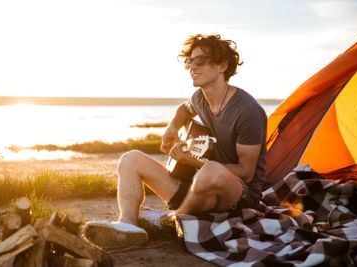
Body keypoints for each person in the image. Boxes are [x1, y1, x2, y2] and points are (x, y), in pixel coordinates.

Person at [82, 34, 267, 250]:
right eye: (189, 62)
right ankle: (128, 225)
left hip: (238, 197)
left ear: (222, 66)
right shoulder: (200, 97)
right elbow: (183, 109)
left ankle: (173, 219)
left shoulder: (248, 111)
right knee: (130, 158)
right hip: (198, 192)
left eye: (199, 61)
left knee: (211, 172)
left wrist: (194, 161)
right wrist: (172, 128)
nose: (191, 67)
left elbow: (246, 172)